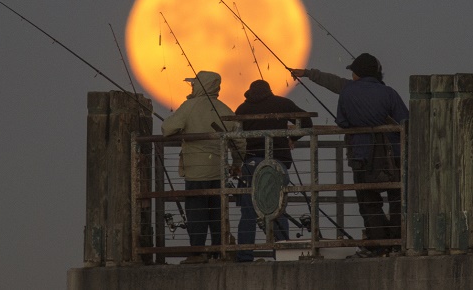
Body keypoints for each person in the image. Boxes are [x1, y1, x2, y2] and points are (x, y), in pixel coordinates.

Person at [292, 53, 409, 256]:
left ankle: (379, 244)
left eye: (353, 71)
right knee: (397, 198)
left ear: (359, 73)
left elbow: (342, 121)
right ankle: (397, 242)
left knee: (368, 201)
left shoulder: (347, 93)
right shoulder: (389, 93)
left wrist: (309, 74)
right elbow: (405, 121)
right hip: (393, 157)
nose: (351, 75)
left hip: (361, 157)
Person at [161, 70, 246, 264]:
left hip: (196, 173)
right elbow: (239, 142)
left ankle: (197, 253)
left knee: (196, 213)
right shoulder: (224, 109)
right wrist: (237, 164)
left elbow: (166, 129)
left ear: (201, 85)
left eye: (193, 84)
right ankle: (218, 252)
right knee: (217, 212)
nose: (191, 87)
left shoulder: (189, 107)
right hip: (219, 171)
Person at [234, 79, 313, 262]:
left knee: (248, 212)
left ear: (249, 91)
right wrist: (292, 138)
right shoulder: (281, 103)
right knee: (277, 208)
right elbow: (307, 121)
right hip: (277, 162)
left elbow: (236, 137)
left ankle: (245, 256)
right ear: (269, 90)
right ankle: (283, 253)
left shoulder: (243, 109)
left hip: (251, 164)